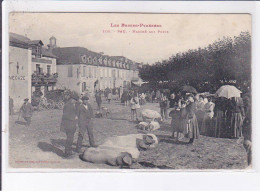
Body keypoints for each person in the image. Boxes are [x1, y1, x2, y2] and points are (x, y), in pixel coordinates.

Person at [60, 93, 79, 158]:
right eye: (75, 100)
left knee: (70, 138)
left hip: (71, 124)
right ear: (71, 99)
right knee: (69, 139)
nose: (75, 101)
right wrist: (74, 117)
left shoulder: (72, 104)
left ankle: (69, 151)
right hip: (68, 124)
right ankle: (67, 153)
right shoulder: (68, 105)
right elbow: (65, 115)